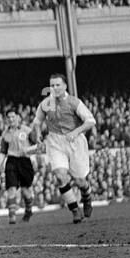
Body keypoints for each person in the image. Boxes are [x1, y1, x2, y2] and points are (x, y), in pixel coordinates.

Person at [33, 73, 96, 223]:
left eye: (57, 85)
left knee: (80, 181)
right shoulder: (46, 103)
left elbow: (90, 121)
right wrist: (38, 135)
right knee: (61, 176)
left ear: (65, 86)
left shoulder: (74, 102)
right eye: (52, 85)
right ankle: (74, 209)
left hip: (74, 141)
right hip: (55, 142)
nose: (54, 88)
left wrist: (76, 131)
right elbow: (37, 122)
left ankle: (87, 197)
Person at [0, 110, 39, 222]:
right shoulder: (5, 134)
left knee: (25, 189)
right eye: (9, 117)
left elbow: (37, 145)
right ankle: (12, 216)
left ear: (17, 117)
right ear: (6, 119)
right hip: (11, 160)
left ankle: (29, 209)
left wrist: (30, 152)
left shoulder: (27, 130)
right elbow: (3, 151)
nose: (11, 119)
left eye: (13, 116)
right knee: (11, 188)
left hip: (25, 161)